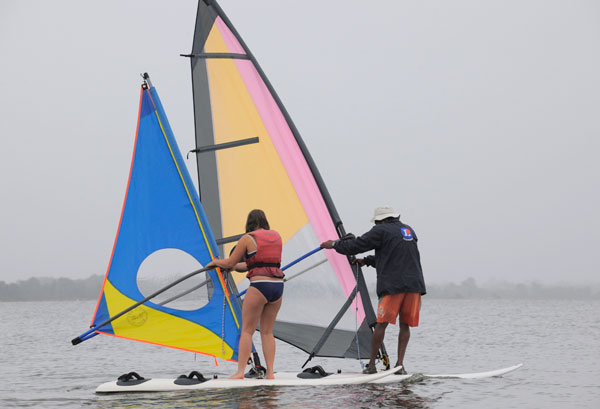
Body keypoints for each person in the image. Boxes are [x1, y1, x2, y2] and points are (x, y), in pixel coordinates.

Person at [320, 205, 426, 374]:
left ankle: (371, 366)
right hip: (414, 286)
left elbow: (356, 245)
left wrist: (333, 244)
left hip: (393, 286)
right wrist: (368, 261)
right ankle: (400, 366)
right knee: (404, 325)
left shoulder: (381, 230)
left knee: (381, 325)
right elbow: (395, 257)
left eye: (377, 222)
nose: (376, 225)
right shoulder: (408, 231)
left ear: (381, 220)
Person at [206, 209, 284, 380]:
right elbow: (252, 265)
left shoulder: (248, 239)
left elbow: (229, 262)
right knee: (267, 332)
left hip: (259, 286)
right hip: (277, 287)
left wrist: (215, 263)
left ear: (249, 223)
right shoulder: (277, 237)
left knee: (247, 331)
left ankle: (240, 372)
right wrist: (233, 268)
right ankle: (270, 373)